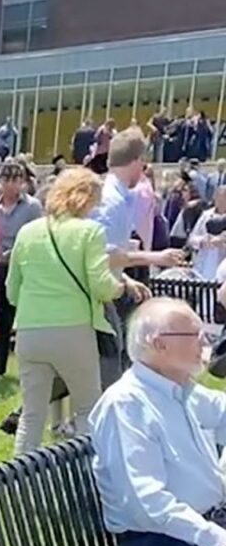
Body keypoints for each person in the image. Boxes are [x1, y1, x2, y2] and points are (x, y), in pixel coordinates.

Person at [90, 298, 226, 546]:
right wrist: (218, 541)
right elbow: (147, 501)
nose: (205, 342)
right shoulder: (126, 404)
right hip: (162, 543)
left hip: (202, 529)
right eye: (193, 335)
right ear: (158, 343)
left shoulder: (183, 391)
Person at [6, 169, 127, 454]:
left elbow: (12, 291)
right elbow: (102, 287)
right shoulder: (90, 232)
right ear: (85, 198)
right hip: (73, 330)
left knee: (32, 415)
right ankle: (84, 476)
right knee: (87, 409)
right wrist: (120, 287)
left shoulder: (28, 232)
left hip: (29, 332)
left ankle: (19, 485)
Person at [92, 128, 184, 384]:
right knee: (112, 361)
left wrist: (126, 281)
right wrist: (156, 258)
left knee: (111, 357)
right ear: (137, 162)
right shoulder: (113, 202)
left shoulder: (117, 197)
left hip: (107, 288)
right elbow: (104, 256)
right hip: (98, 293)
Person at [0, 163, 42, 377]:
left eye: (16, 180)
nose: (11, 185)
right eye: (7, 180)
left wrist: (15, 252)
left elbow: (37, 237)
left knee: (22, 318)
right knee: (0, 318)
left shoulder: (32, 207)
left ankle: (28, 367)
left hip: (22, 267)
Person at [187, 185, 226, 280]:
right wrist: (202, 241)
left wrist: (223, 243)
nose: (221, 201)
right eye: (219, 197)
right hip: (203, 266)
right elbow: (191, 239)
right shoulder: (206, 215)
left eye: (224, 198)